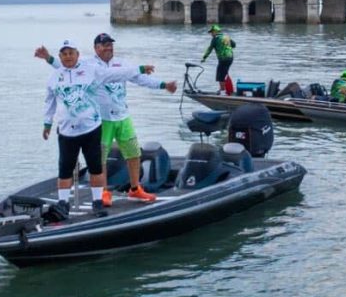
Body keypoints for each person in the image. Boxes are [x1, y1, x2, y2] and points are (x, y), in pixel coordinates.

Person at [36, 34, 177, 204]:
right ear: (96, 48)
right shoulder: (88, 64)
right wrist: (48, 58)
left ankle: (135, 189)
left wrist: (163, 85)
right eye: (104, 45)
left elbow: (138, 78)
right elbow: (66, 67)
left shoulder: (122, 64)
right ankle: (102, 193)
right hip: (102, 120)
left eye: (110, 44)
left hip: (123, 117)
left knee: (134, 153)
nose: (108, 47)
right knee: (99, 159)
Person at [201, 24, 236, 95]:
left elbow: (209, 49)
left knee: (220, 74)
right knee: (224, 73)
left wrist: (204, 57)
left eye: (212, 32)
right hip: (230, 58)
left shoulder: (215, 39)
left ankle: (223, 90)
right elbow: (234, 45)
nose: (211, 34)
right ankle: (226, 89)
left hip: (223, 59)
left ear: (215, 31)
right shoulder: (226, 37)